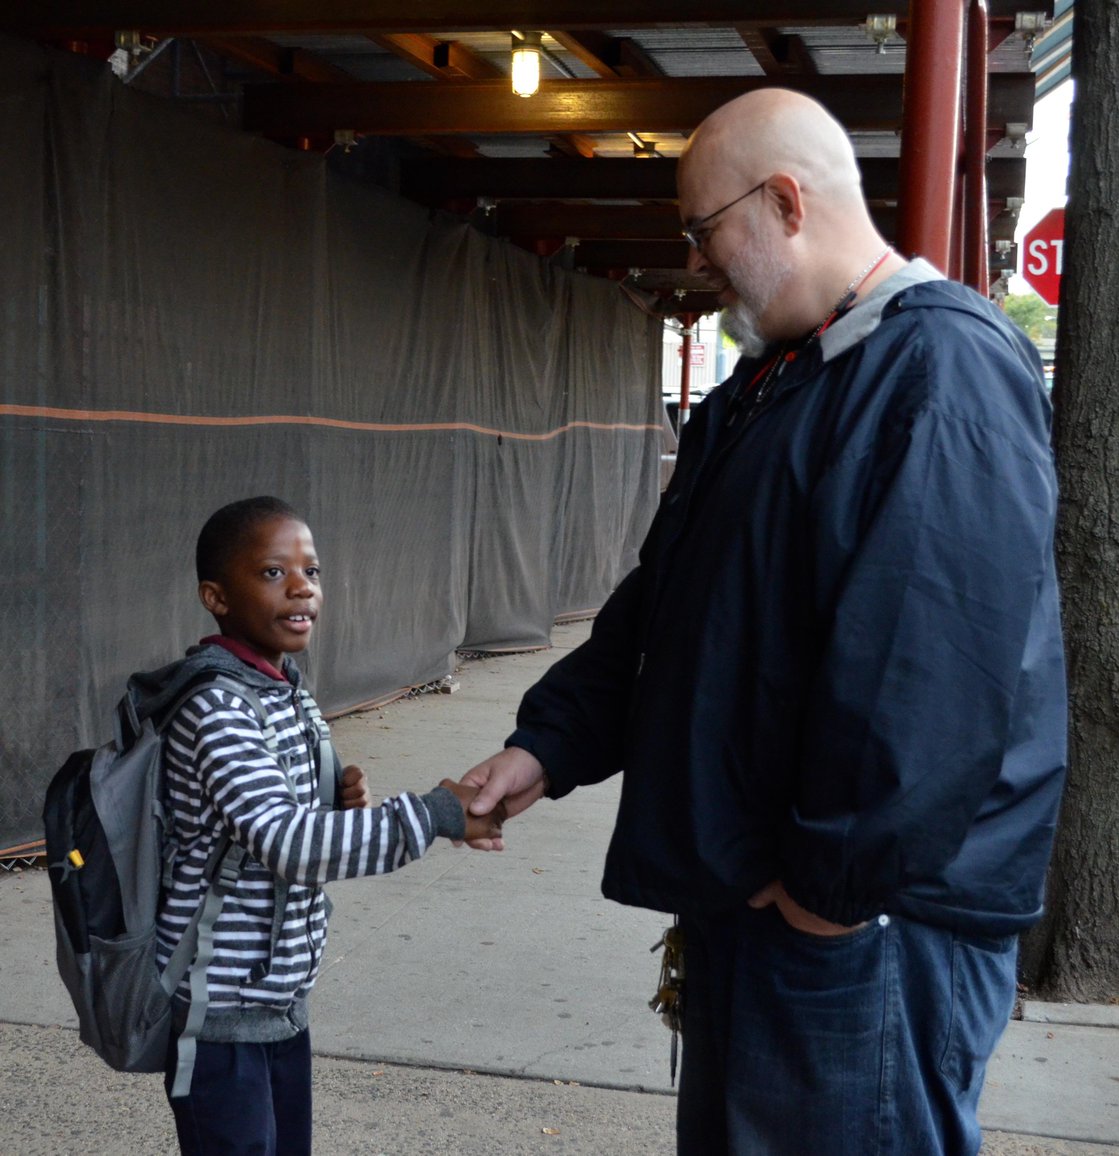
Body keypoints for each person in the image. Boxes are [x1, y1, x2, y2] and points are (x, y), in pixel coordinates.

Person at [461, 89, 1067, 1156]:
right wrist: (547, 743)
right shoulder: (774, 380)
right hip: (776, 901)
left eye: (704, 231)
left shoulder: (942, 367)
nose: (696, 261)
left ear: (785, 200)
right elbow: (673, 601)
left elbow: (928, 670)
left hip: (866, 926)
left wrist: (822, 899)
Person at [156, 495, 503, 1155]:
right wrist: (434, 814)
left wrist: (342, 809)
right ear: (215, 596)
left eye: (311, 571)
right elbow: (287, 844)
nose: (300, 587)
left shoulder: (285, 691)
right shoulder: (217, 708)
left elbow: (292, 828)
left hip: (278, 999)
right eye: (270, 573)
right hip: (218, 1011)